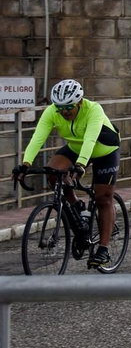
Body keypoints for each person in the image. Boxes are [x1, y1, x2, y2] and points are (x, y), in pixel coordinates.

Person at [10, 79, 121, 268]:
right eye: (60, 107)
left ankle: (103, 249)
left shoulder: (93, 109)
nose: (65, 111)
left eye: (69, 106)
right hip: (76, 147)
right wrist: (25, 164)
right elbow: (38, 137)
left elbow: (90, 140)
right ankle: (77, 207)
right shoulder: (52, 111)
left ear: (79, 102)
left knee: (103, 198)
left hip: (104, 150)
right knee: (53, 173)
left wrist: (80, 166)